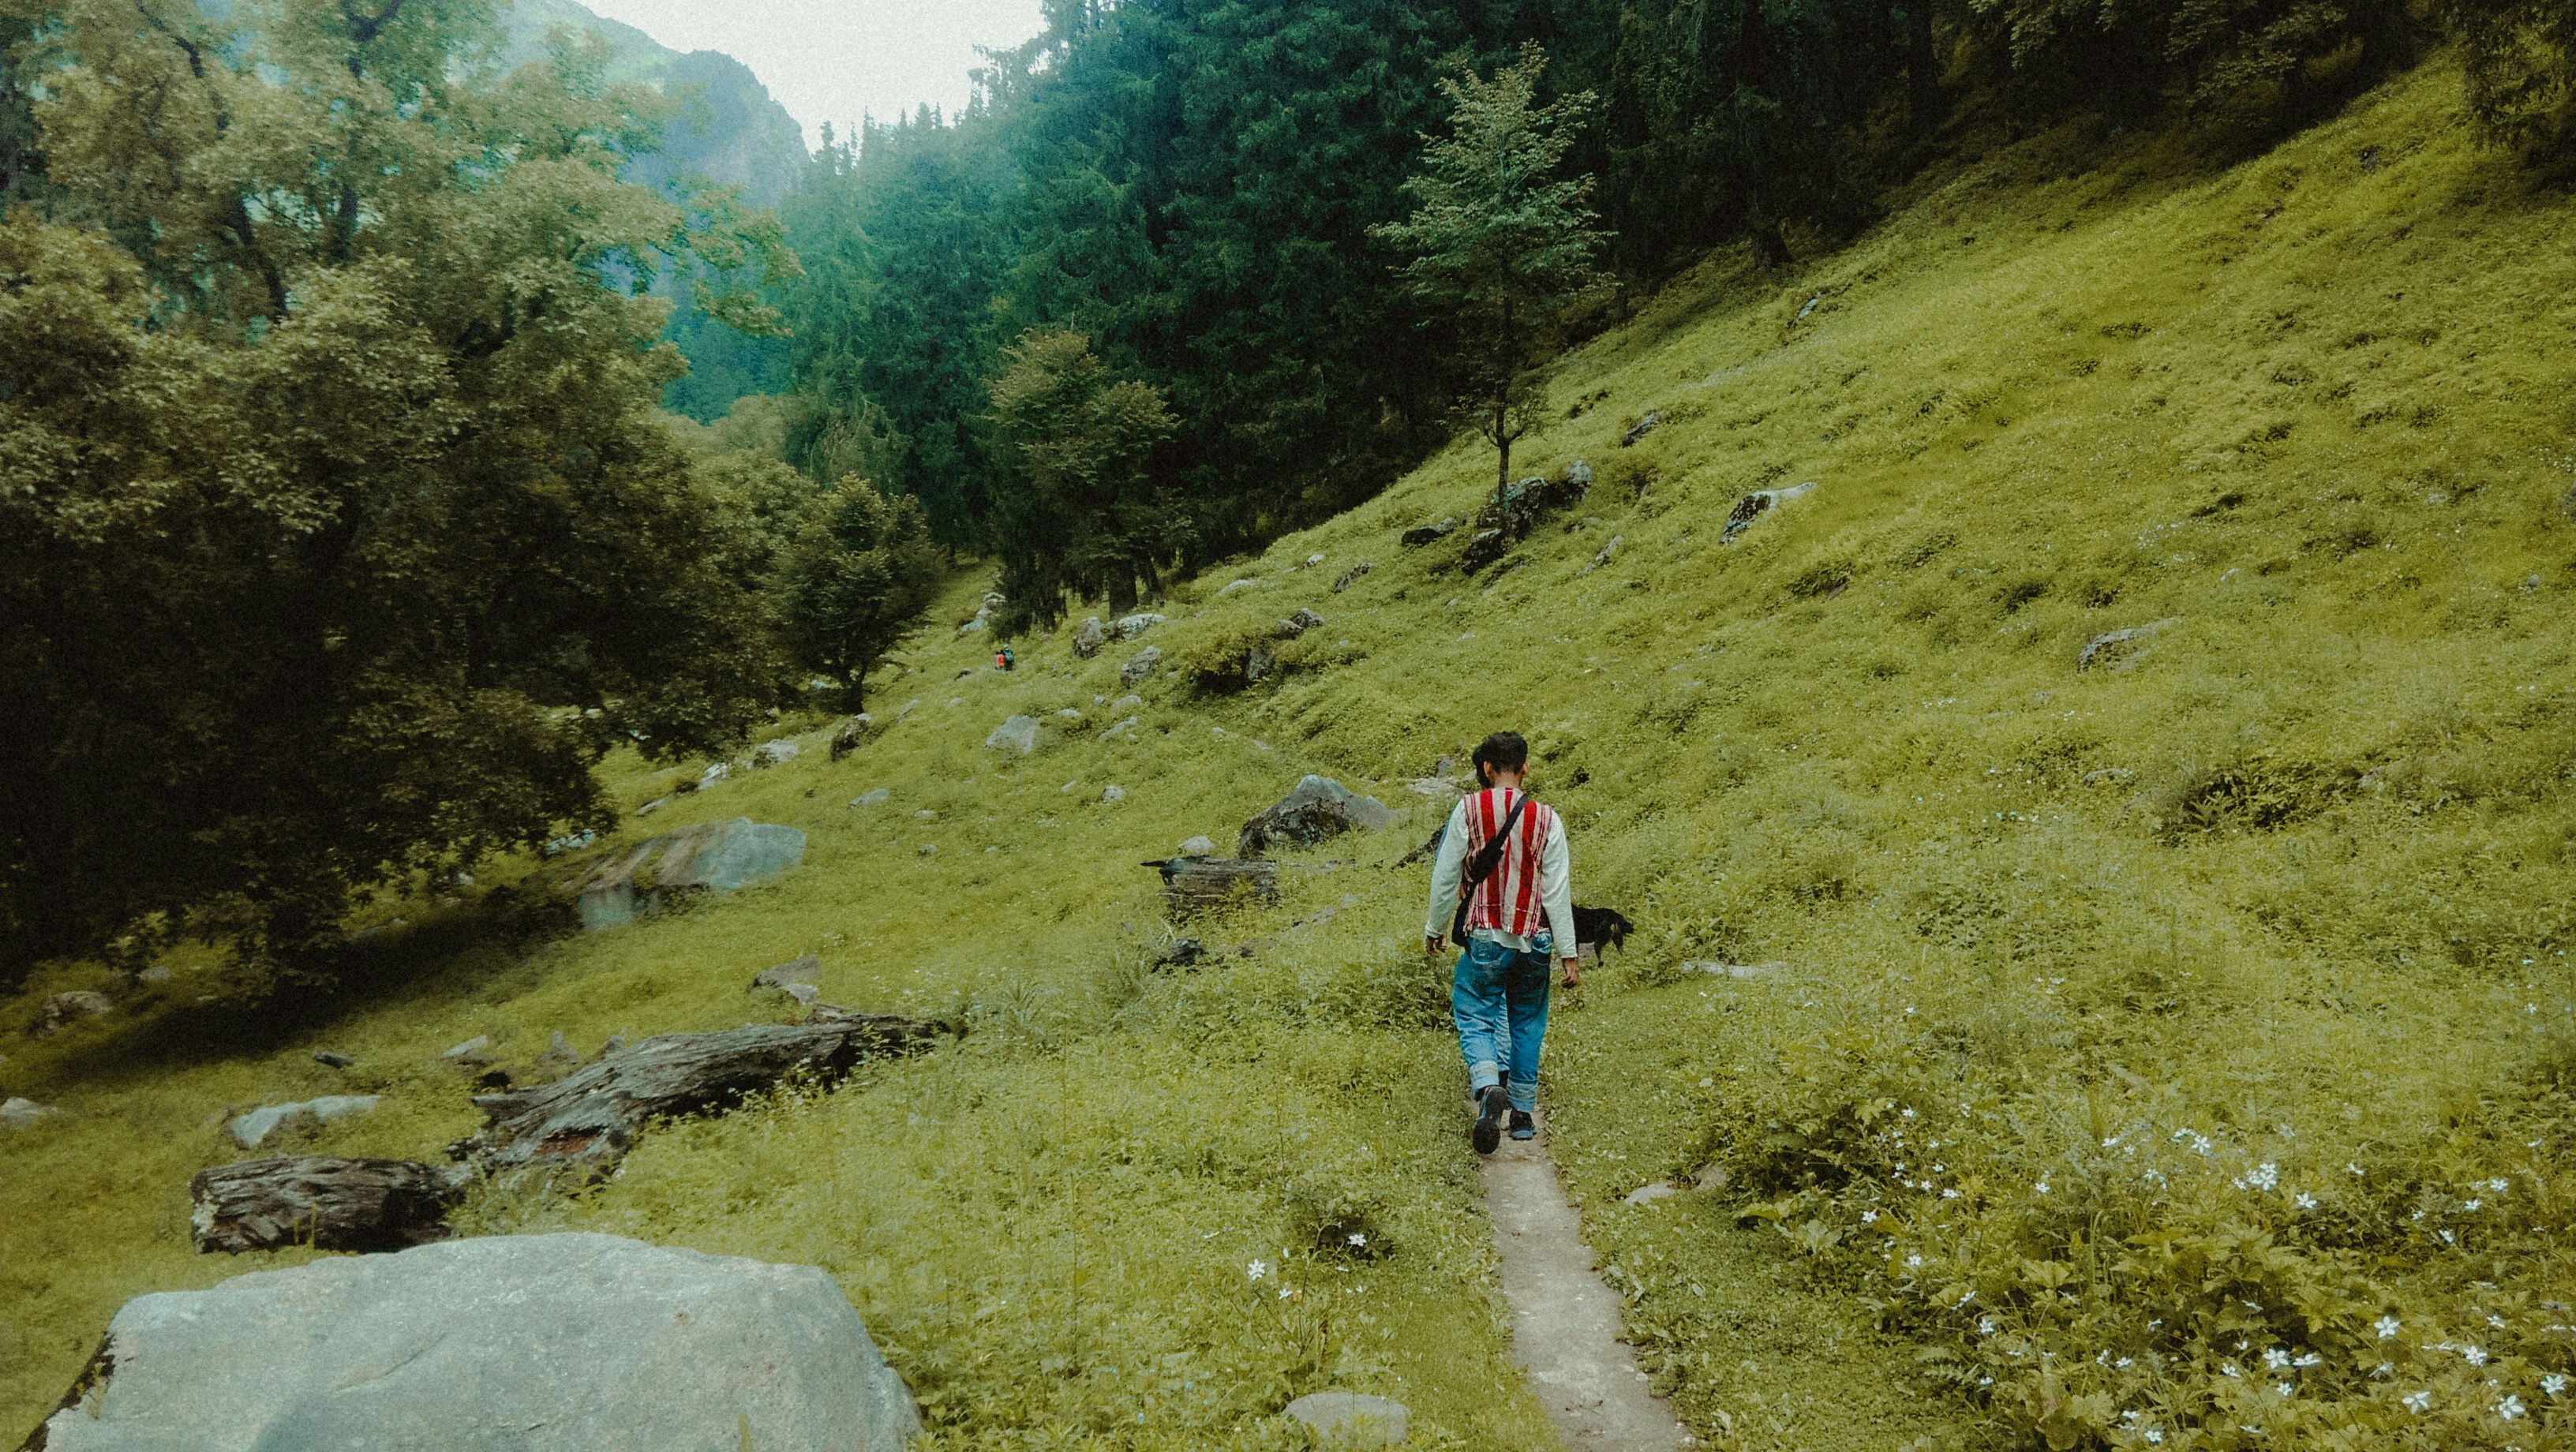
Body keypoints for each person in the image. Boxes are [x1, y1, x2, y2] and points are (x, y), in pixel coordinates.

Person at [1424, 730, 1578, 1154]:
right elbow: (1556, 892)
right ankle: (1523, 1116)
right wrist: (1568, 952)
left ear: (1487, 769)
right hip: (1535, 938)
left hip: (1485, 936)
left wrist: (1436, 927)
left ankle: (1489, 1084)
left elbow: (1446, 875)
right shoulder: (1547, 819)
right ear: (1525, 767)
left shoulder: (1468, 809)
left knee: (1474, 1010)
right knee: (1527, 1022)